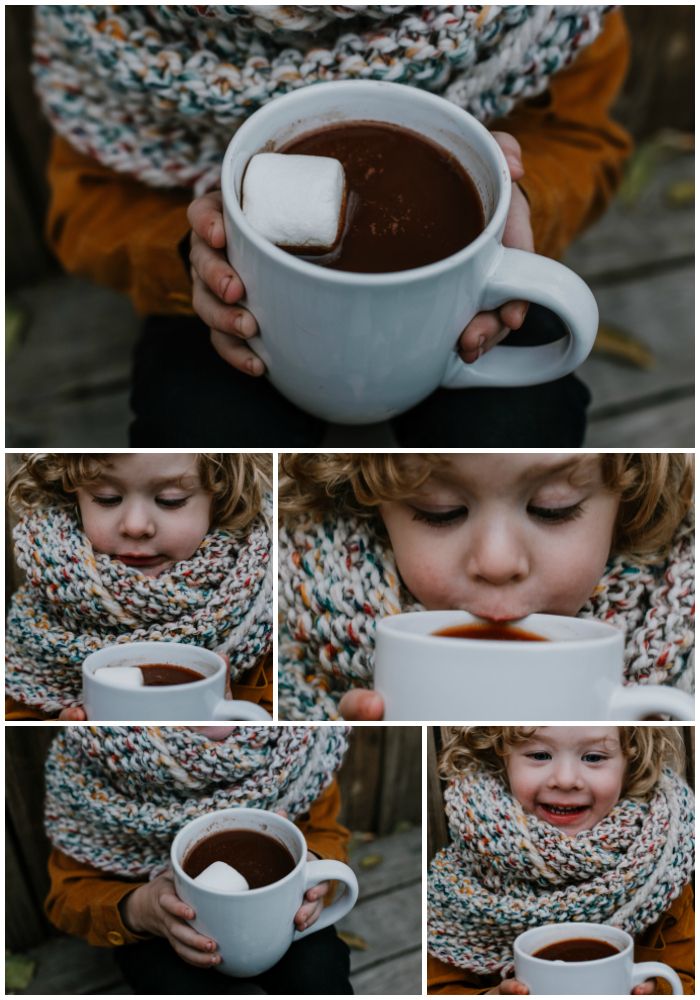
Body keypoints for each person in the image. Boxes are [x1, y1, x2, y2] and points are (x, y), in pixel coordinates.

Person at [33, 6, 632, 446]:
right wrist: (190, 255)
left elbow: (585, 138)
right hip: (226, 314)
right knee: (202, 433)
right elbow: (86, 209)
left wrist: (521, 199)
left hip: (465, 304)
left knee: (523, 429)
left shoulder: (537, 15)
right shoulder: (113, 21)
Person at [277, 453, 694, 720]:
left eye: (554, 508)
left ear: (632, 498)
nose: (497, 562)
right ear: (370, 506)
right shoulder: (292, 620)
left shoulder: (683, 630)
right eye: (441, 512)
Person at [43, 725, 353, 995]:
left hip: (282, 918)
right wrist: (138, 909)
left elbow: (326, 830)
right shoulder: (90, 770)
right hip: (162, 929)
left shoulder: (300, 746)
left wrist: (312, 867)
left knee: (320, 970)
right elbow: (67, 895)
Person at [426, 726, 694, 994]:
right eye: (540, 755)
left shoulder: (662, 866)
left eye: (593, 757)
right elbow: (439, 988)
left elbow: (689, 973)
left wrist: (659, 991)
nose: (565, 780)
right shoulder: (466, 879)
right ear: (500, 758)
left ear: (630, 763)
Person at [5, 453, 272, 719]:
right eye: (107, 498)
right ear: (74, 496)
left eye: (170, 501)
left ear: (220, 498)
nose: (135, 526)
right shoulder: (44, 608)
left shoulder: (262, 607)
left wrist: (229, 723)